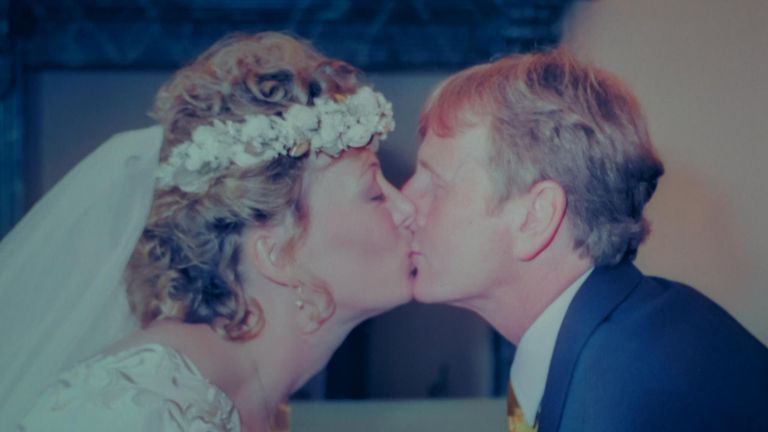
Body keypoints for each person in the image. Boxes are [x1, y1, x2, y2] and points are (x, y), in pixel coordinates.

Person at [0, 32, 415, 431]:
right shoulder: (135, 407)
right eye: (374, 194)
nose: (407, 208)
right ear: (277, 254)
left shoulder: (256, 399)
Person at [402, 48, 768, 431]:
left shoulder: (618, 391)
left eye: (436, 185)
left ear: (535, 217)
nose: (406, 202)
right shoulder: (620, 335)